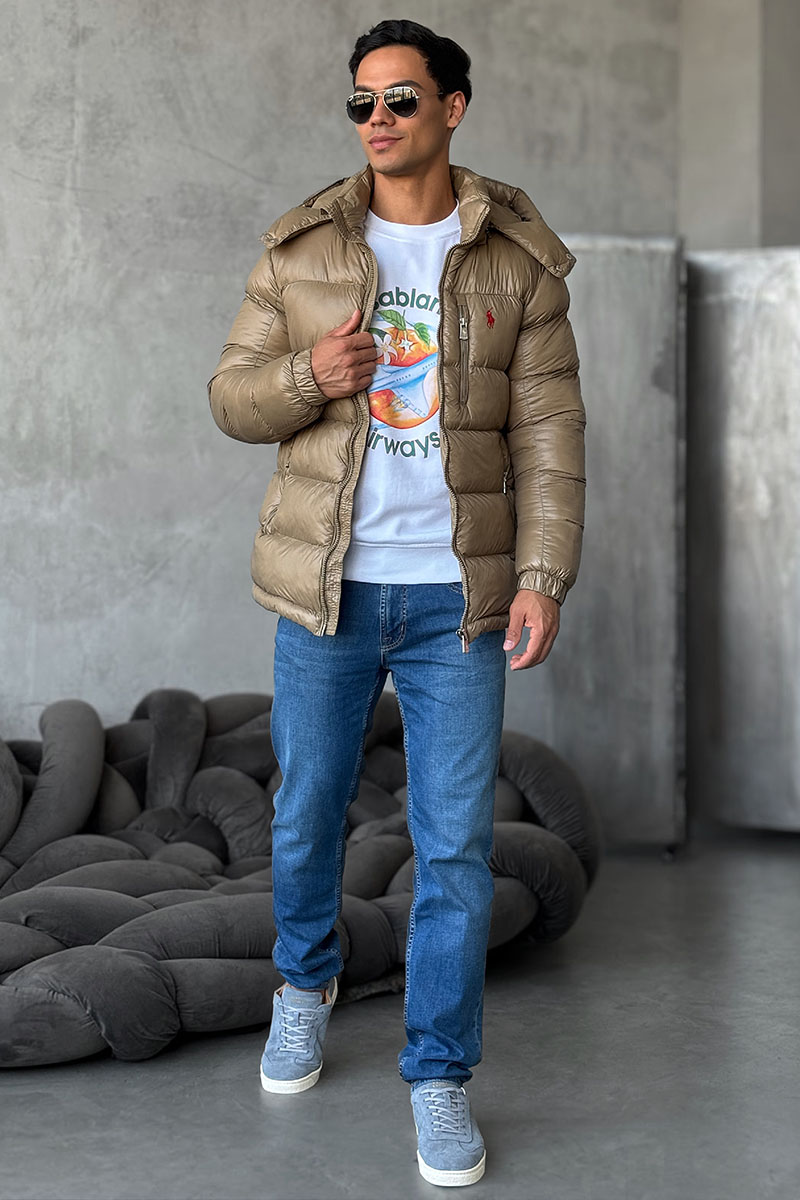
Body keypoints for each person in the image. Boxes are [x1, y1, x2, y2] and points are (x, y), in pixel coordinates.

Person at [208, 17, 585, 1189]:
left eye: (400, 99)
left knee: (453, 848)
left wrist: (540, 576)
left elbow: (549, 437)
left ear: (452, 108)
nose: (377, 120)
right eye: (360, 103)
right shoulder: (302, 250)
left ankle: (438, 1076)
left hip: (454, 602)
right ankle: (303, 985)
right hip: (326, 592)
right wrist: (304, 377)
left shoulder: (516, 265)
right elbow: (229, 396)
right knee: (305, 815)